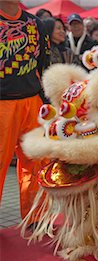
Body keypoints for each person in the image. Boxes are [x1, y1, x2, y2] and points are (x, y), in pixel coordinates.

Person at [0, 0, 49, 224]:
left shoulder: (35, 24)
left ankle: (35, 217)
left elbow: (43, 64)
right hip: (2, 105)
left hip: (32, 102)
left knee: (36, 162)